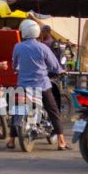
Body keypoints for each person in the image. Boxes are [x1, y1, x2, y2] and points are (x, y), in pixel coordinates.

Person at [9, 19, 69, 150]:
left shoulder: (17, 47)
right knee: (53, 111)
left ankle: (11, 140)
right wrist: (61, 70)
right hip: (41, 85)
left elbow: (14, 65)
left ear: (23, 32)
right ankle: (61, 141)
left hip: (23, 86)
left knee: (17, 109)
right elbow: (54, 66)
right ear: (37, 32)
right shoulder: (43, 47)